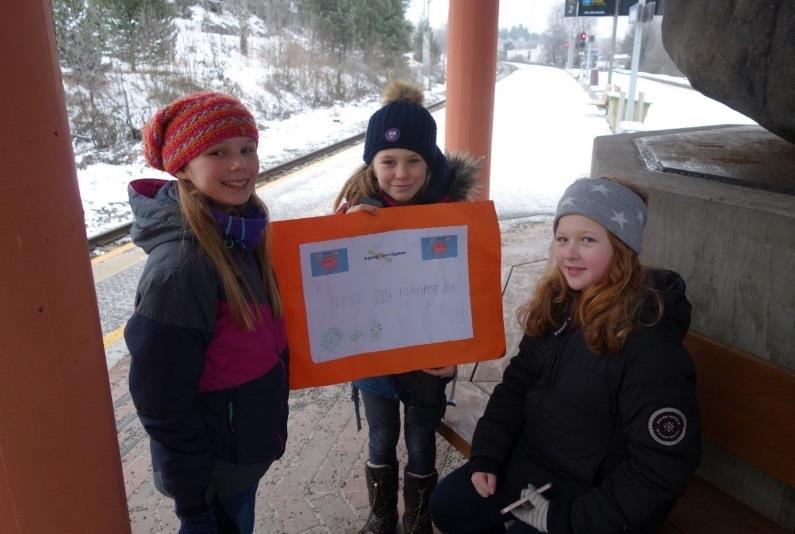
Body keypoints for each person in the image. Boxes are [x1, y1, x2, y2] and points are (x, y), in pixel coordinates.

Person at [429, 177, 702, 533]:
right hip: (532, 468)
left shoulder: (651, 347)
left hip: (588, 498)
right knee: (448, 505)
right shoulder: (559, 307)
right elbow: (515, 385)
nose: (569, 253)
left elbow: (660, 465)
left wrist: (568, 521)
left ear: (622, 248)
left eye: (587, 240)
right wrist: (489, 453)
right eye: (562, 239)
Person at [124, 91, 288, 534]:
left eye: (247, 149)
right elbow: (161, 400)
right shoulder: (182, 267)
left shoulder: (239, 231)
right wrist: (194, 500)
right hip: (212, 471)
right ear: (181, 167)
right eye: (218, 152)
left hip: (240, 452)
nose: (240, 165)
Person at [334, 80, 481, 534]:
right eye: (389, 161)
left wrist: (457, 350)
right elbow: (329, 290)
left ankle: (417, 519)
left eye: (413, 160)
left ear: (430, 161)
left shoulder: (452, 213)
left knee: (421, 442)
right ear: (372, 164)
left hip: (428, 359)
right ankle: (382, 519)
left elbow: (468, 290)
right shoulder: (351, 212)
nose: (401, 173)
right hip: (374, 356)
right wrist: (343, 235)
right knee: (381, 439)